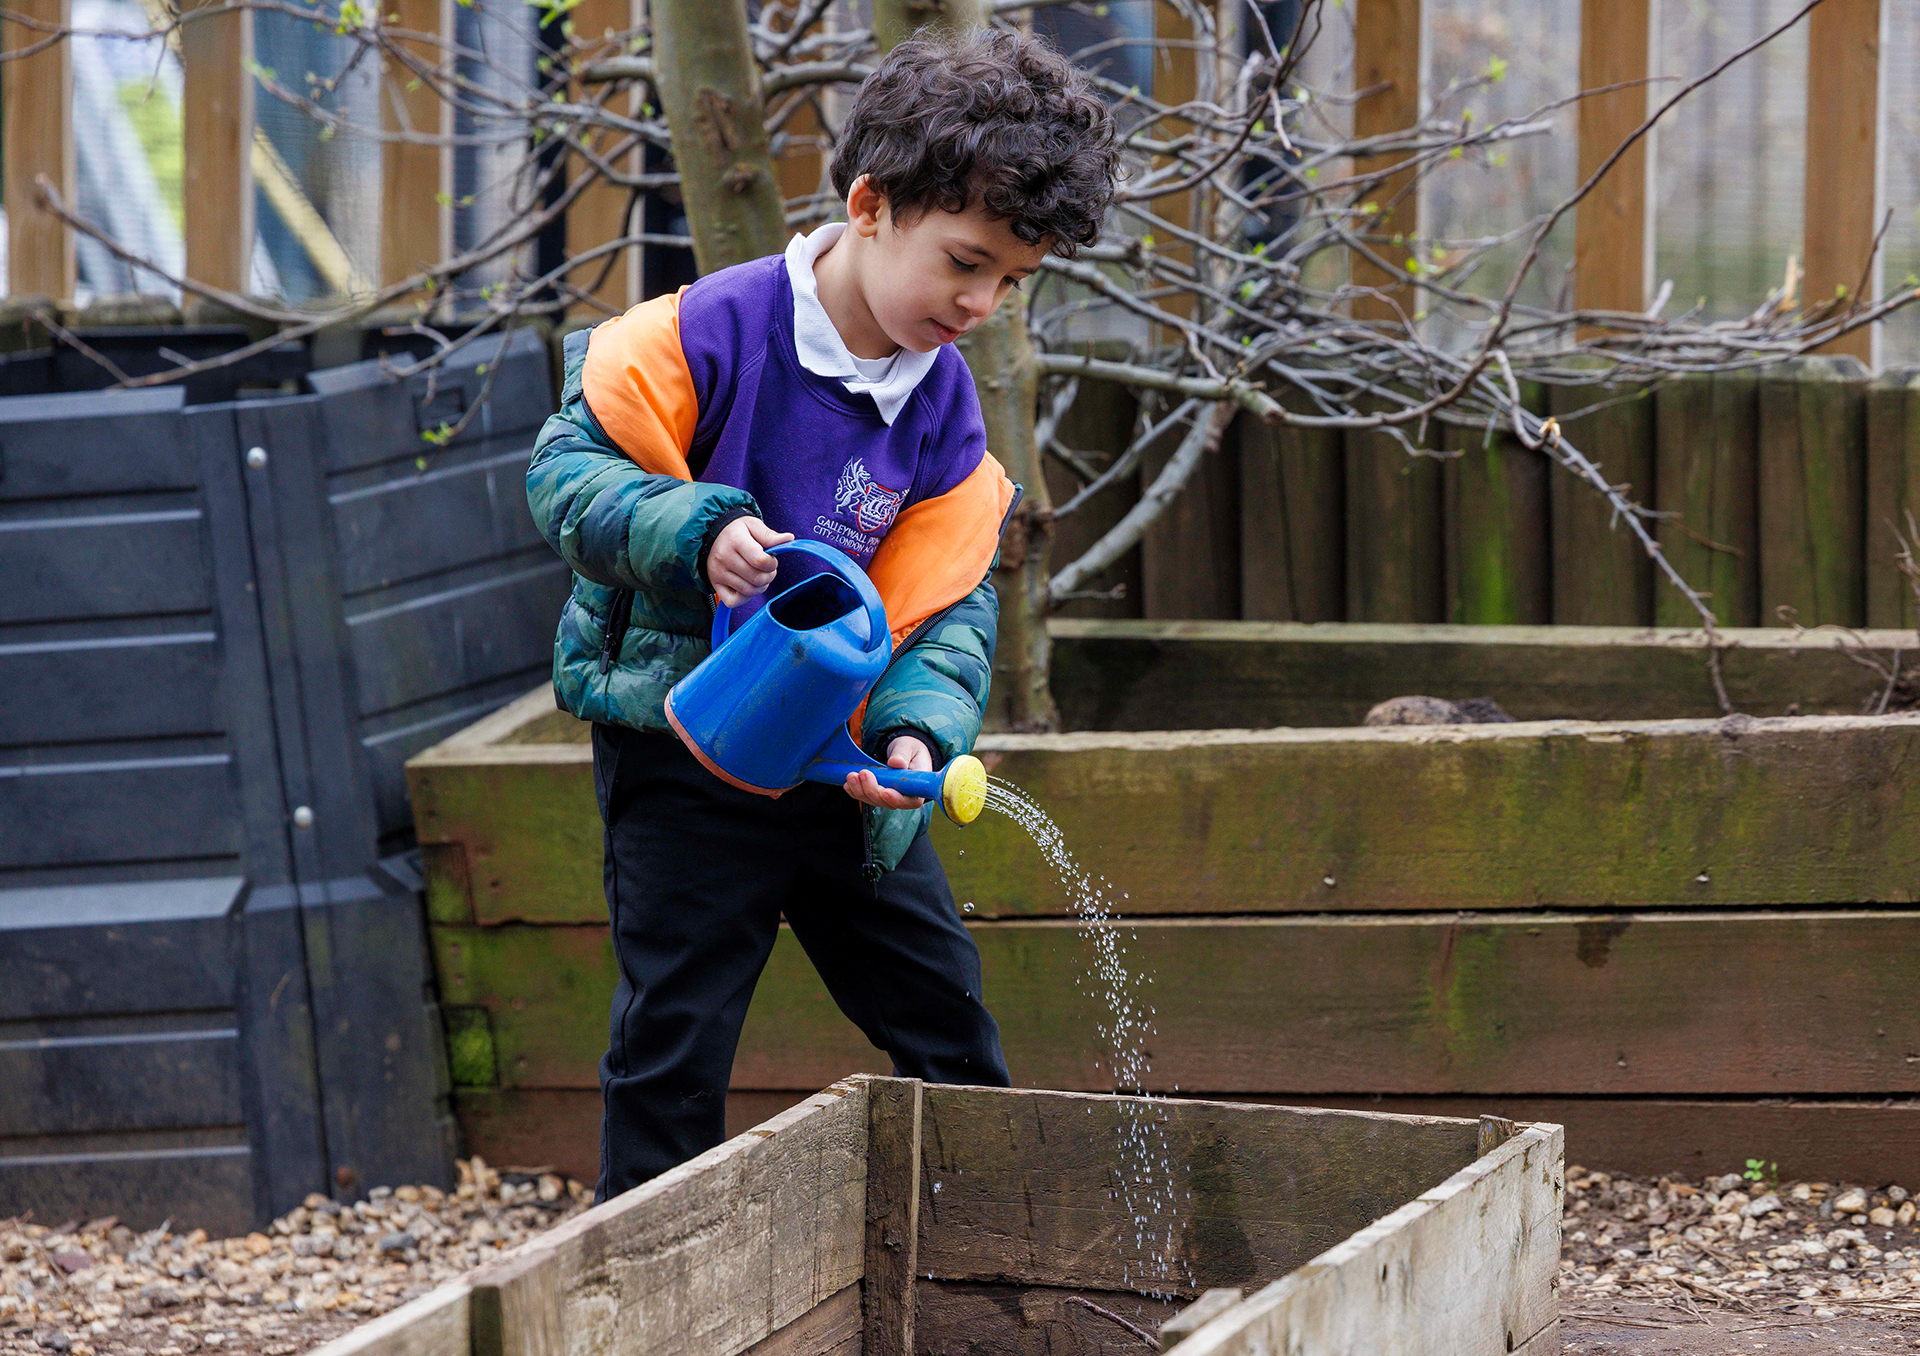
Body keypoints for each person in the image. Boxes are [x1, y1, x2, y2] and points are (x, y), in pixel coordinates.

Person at [525, 26, 1120, 1199]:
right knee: (673, 1040)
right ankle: (639, 1280)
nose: (984, 301)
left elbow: (943, 603)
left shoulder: (944, 412)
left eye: (1012, 279)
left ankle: (986, 1256)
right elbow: (566, 478)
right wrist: (693, 531)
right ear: (868, 204)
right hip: (688, 747)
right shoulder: (705, 335)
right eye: (965, 262)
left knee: (944, 1015)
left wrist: (914, 732)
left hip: (846, 774)